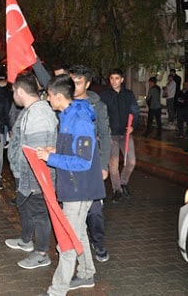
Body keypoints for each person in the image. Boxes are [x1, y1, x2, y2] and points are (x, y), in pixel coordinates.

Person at [36, 74, 105, 295]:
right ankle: (86, 274)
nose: (47, 99)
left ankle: (57, 289)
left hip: (80, 188)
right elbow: (72, 149)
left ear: (58, 96)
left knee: (66, 241)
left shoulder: (80, 120)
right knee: (78, 233)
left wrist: (51, 159)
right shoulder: (67, 114)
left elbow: (83, 162)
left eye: (48, 95)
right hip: (74, 187)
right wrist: (53, 150)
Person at [5, 71, 57, 269]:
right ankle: (26, 241)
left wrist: (33, 183)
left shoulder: (39, 114)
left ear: (20, 91)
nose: (13, 96)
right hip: (25, 175)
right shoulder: (31, 109)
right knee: (26, 209)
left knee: (39, 214)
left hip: (35, 177)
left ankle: (42, 253)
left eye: (13, 92)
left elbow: (36, 155)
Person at [69, 65, 111, 263]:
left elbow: (105, 135)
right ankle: (75, 246)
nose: (73, 86)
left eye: (78, 82)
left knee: (94, 210)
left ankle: (98, 242)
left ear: (87, 83)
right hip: (68, 165)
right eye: (71, 82)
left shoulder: (97, 106)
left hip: (91, 164)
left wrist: (104, 165)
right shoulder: (64, 103)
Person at [100, 68, 140, 203]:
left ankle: (123, 183)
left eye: (117, 78)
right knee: (113, 164)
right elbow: (101, 115)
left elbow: (135, 110)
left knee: (131, 161)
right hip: (112, 135)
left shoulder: (128, 94)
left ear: (122, 80)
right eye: (111, 78)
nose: (114, 81)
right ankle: (117, 190)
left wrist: (133, 125)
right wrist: (103, 132)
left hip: (126, 133)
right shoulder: (105, 96)